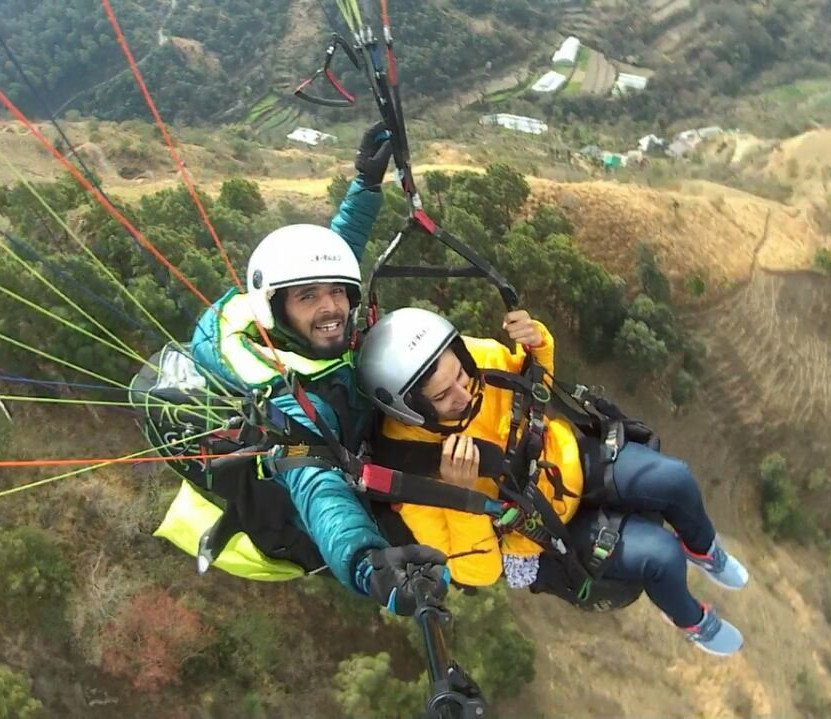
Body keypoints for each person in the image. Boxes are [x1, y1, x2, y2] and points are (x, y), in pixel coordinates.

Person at [356, 306, 750, 655]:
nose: (464, 394)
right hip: (537, 534)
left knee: (675, 479)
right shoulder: (413, 479)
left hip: (562, 464)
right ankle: (692, 621)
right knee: (661, 555)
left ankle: (704, 550)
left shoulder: (480, 359)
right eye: (443, 396)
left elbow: (536, 388)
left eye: (461, 375)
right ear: (411, 409)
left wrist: (538, 342)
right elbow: (476, 572)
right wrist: (462, 496)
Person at [182, 122, 448, 616]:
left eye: (337, 292)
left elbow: (329, 254)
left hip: (358, 447)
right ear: (276, 311)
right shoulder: (284, 400)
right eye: (309, 297)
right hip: (322, 502)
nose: (331, 308)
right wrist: (368, 565)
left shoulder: (308, 331)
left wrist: (366, 185)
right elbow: (316, 483)